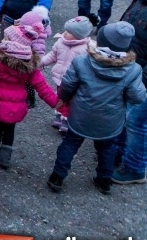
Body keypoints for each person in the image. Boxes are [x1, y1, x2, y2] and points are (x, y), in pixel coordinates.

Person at [48, 22, 146, 195]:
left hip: (81, 116)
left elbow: (68, 84)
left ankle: (57, 177)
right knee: (107, 148)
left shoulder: (82, 61)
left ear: (99, 41)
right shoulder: (133, 69)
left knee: (69, 144)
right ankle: (104, 181)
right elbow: (137, 97)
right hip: (110, 121)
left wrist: (63, 98)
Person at [0, 24, 58, 169]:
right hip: (16, 104)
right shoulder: (29, 63)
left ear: (12, 41)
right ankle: (5, 155)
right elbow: (41, 85)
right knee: (10, 128)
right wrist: (55, 102)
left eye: (7, 37)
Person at [113, 0, 147, 184]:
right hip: (132, 69)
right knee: (126, 116)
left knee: (137, 123)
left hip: (144, 78)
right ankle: (119, 152)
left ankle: (135, 168)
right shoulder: (139, 2)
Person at [40, 16, 94, 133]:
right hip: (60, 78)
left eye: (69, 32)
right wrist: (42, 62)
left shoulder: (86, 48)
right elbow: (52, 55)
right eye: (65, 30)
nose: (64, 33)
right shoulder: (60, 42)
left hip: (75, 81)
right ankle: (59, 116)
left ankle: (67, 120)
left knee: (71, 101)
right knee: (59, 98)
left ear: (79, 35)